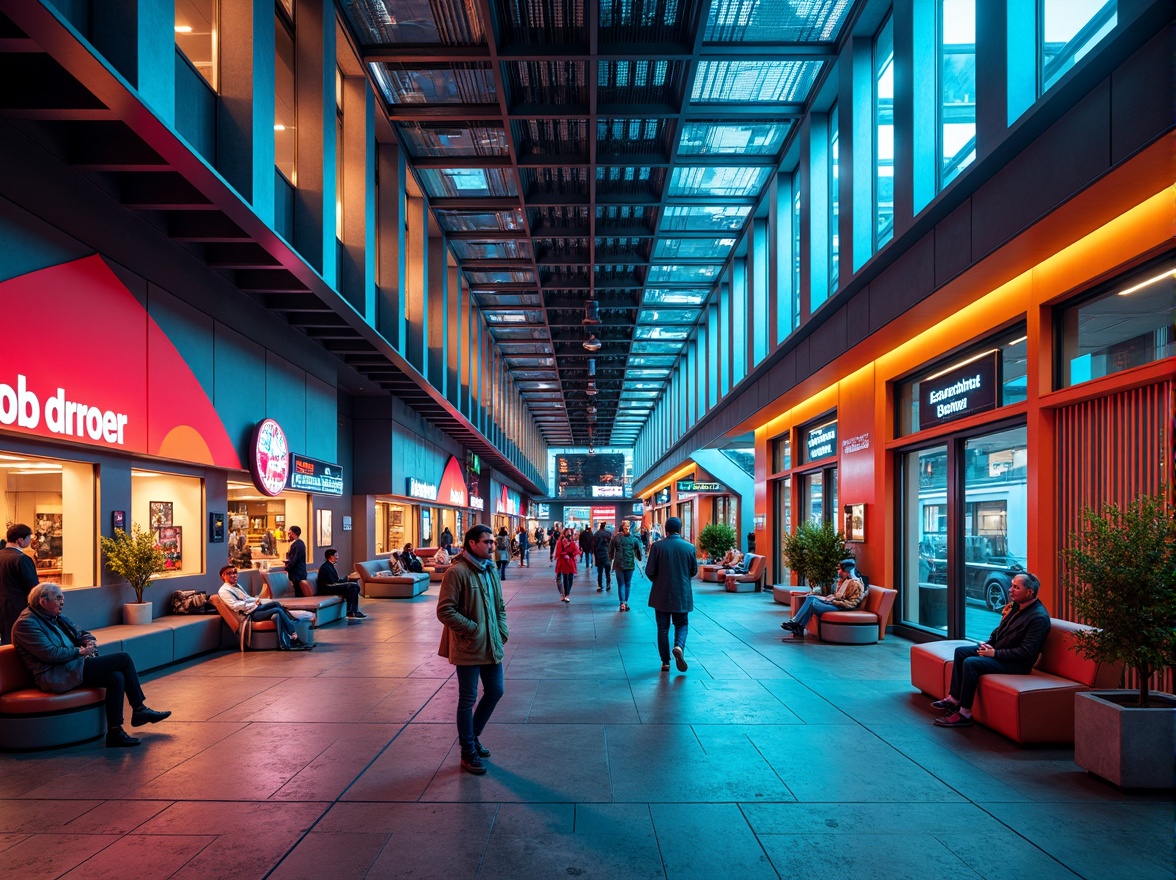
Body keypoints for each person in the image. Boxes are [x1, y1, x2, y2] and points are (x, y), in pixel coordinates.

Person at [12, 582, 171, 747]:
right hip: (54, 675)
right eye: (58, 598)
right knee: (122, 659)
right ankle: (139, 709)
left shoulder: (55, 617)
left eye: (62, 598)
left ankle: (115, 731)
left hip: (71, 666)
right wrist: (80, 652)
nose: (62, 602)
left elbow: (81, 633)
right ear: (43, 601)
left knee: (116, 677)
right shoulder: (27, 624)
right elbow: (50, 653)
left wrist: (88, 642)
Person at [932, 572, 1051, 728]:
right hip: (999, 651)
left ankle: (964, 713)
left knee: (971, 663)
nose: (1010, 590)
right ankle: (955, 698)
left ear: (1029, 592)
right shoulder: (1017, 606)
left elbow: (1026, 652)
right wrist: (989, 644)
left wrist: (994, 653)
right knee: (961, 652)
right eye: (1012, 585)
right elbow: (999, 630)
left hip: (1017, 664)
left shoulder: (1038, 618)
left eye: (1016, 587)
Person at [436, 524, 508, 775]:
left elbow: (499, 605)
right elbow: (445, 611)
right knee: (468, 699)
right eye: (486, 542)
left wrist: (502, 630)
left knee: (496, 691)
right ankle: (468, 750)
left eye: (492, 542)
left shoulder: (491, 570)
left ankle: (472, 737)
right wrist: (473, 629)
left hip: (491, 643)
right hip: (468, 645)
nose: (491, 545)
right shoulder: (457, 572)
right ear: (472, 543)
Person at [218, 565, 313, 650]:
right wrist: (254, 603)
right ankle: (293, 635)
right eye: (229, 573)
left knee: (276, 604)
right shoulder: (224, 591)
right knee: (277, 610)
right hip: (250, 614)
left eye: (235, 572)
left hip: (254, 609)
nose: (233, 575)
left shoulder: (236, 586)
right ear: (223, 576)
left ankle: (291, 622)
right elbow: (234, 606)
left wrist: (257, 599)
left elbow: (247, 598)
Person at [646, 516, 697, 672]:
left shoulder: (657, 547)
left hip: (661, 594)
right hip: (682, 593)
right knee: (681, 624)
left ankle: (665, 662)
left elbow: (650, 571)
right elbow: (693, 571)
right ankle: (678, 646)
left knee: (663, 628)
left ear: (666, 530)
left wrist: (659, 580)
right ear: (680, 529)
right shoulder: (689, 548)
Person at [781, 559, 865, 639]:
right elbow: (837, 596)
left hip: (841, 608)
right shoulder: (844, 581)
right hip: (834, 604)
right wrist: (828, 598)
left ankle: (796, 624)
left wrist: (832, 601)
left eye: (840, 570)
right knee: (810, 598)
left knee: (813, 603)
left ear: (847, 571)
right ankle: (797, 625)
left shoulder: (855, 584)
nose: (838, 571)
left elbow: (851, 604)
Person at [1, 523, 39, 644]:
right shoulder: (22, 558)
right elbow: (34, 588)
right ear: (20, 539)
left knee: (5, 642)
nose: (30, 540)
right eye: (29, 537)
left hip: (2, 607)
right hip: (19, 608)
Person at [316, 549, 366, 620]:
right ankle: (354, 611)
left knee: (353, 586)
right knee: (353, 587)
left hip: (331, 586)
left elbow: (336, 581)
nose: (337, 557)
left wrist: (347, 578)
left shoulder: (329, 566)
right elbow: (334, 582)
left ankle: (350, 611)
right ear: (330, 556)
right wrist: (347, 578)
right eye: (336, 555)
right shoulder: (325, 567)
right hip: (327, 588)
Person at [609, 521, 643, 612]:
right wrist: (639, 558)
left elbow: (611, 551)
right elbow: (639, 552)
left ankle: (622, 603)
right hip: (629, 564)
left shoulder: (615, 538)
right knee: (627, 584)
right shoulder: (634, 539)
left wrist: (611, 559)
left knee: (621, 584)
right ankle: (626, 602)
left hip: (618, 564)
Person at [554, 528, 580, 602]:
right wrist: (564, 554)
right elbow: (558, 552)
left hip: (570, 563)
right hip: (563, 563)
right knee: (565, 578)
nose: (568, 534)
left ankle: (567, 594)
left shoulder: (572, 543)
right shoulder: (560, 542)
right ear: (564, 533)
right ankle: (565, 594)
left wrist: (572, 555)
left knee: (570, 578)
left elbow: (576, 551)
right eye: (567, 532)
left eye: (569, 532)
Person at [284, 525, 307, 590]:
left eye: (289, 533)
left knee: (299, 593)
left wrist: (287, 568)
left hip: (297, 574)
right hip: (300, 573)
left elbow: (294, 559)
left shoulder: (297, 545)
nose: (288, 535)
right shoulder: (300, 543)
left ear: (293, 533)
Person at [592, 523, 613, 591]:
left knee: (600, 571)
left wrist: (594, 554)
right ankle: (608, 584)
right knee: (607, 571)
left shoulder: (596, 534)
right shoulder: (608, 534)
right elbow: (611, 545)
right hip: (607, 554)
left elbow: (593, 546)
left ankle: (600, 585)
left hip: (599, 555)